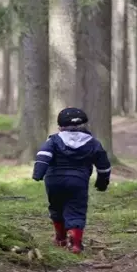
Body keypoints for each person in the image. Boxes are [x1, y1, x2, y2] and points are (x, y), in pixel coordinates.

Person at [31, 107, 111, 254]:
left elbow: (43, 156)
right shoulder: (93, 143)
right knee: (76, 209)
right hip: (78, 181)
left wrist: (38, 174)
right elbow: (103, 165)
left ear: (60, 126)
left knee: (56, 207)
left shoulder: (54, 140)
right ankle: (75, 243)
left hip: (54, 180)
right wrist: (102, 182)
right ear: (84, 124)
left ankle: (60, 238)